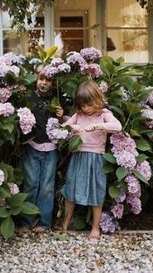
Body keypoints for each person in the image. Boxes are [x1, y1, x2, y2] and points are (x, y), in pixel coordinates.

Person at [61, 80, 122, 239]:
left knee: (97, 190)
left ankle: (95, 227)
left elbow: (118, 127)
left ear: (98, 100)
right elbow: (63, 127)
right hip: (78, 156)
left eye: (89, 105)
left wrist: (97, 126)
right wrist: (70, 127)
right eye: (82, 105)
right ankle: (66, 222)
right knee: (70, 189)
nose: (85, 109)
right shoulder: (78, 115)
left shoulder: (103, 114)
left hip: (96, 158)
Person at [20, 66, 64, 233]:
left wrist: (61, 116)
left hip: (51, 147)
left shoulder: (57, 100)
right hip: (32, 145)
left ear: (53, 83)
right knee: (30, 183)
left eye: (48, 80)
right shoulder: (29, 98)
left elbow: (62, 126)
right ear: (35, 80)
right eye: (41, 79)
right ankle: (26, 221)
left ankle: (44, 222)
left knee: (47, 185)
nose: (44, 83)